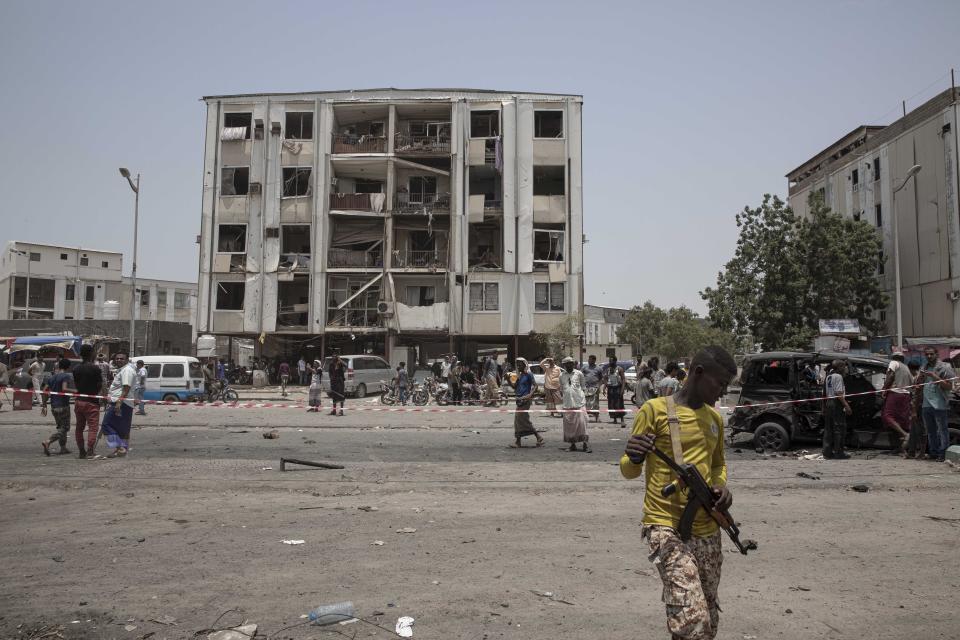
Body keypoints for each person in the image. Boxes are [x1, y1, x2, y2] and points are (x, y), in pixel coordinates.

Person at [621, 346, 738, 640]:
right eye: (719, 384)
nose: (722, 392)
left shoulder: (714, 419)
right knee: (692, 621)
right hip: (665, 527)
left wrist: (722, 487)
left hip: (708, 527)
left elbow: (718, 464)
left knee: (707, 615)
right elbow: (629, 470)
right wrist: (633, 457)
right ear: (698, 373)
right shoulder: (654, 410)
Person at [918, 348, 956, 462]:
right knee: (930, 430)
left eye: (931, 354)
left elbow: (949, 386)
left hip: (939, 403)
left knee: (942, 430)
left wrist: (935, 377)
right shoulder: (924, 367)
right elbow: (920, 385)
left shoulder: (944, 367)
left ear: (936, 354)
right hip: (926, 404)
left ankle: (943, 453)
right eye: (927, 354)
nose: (929, 356)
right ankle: (933, 452)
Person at [100, 351, 137, 457]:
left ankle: (119, 448)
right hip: (124, 402)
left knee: (106, 425)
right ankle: (122, 450)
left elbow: (126, 387)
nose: (119, 360)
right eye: (117, 358)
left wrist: (119, 402)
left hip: (121, 402)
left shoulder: (127, 370)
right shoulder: (123, 370)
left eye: (122, 358)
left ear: (127, 360)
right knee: (122, 428)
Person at [69, 344, 103, 459]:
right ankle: (90, 451)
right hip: (91, 402)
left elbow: (77, 384)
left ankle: (81, 451)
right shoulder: (95, 368)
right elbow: (99, 385)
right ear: (91, 354)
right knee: (93, 427)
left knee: (79, 427)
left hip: (79, 401)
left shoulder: (76, 369)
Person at [40, 358, 74, 456]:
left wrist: (44, 404)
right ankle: (48, 441)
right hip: (63, 405)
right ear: (68, 367)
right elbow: (64, 389)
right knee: (65, 428)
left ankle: (63, 448)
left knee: (60, 427)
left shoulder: (52, 377)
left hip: (54, 406)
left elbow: (44, 390)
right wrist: (75, 391)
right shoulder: (66, 376)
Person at [881, 354, 912, 453]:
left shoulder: (894, 363)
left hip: (895, 393)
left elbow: (890, 375)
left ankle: (905, 435)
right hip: (906, 395)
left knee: (887, 416)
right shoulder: (906, 368)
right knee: (899, 420)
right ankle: (900, 448)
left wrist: (884, 389)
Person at [823, 359, 852, 460]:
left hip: (829, 403)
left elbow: (825, 393)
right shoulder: (838, 376)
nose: (845, 368)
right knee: (839, 429)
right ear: (839, 367)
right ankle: (839, 452)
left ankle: (827, 453)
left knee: (828, 429)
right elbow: (838, 393)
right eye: (844, 366)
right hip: (836, 404)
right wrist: (846, 405)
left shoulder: (828, 376)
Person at [560, 356, 590, 452]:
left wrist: (583, 399)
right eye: (567, 363)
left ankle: (585, 444)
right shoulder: (561, 376)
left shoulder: (579, 374)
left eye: (571, 363)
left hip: (579, 403)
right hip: (567, 404)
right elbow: (562, 389)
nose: (570, 365)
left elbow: (583, 387)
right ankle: (572, 445)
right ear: (564, 365)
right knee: (569, 426)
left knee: (582, 424)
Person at [510, 360, 543, 448]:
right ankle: (536, 438)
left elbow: (535, 386)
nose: (519, 367)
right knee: (519, 420)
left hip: (525, 400)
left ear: (524, 365)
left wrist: (530, 395)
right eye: (517, 365)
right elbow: (514, 386)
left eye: (520, 365)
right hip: (519, 400)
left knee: (521, 419)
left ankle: (520, 441)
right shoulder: (520, 376)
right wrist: (507, 379)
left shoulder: (529, 374)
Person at [904, 360, 926, 459]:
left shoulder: (918, 378)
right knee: (914, 430)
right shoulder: (918, 377)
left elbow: (917, 395)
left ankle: (921, 452)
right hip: (917, 406)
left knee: (920, 431)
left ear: (910, 368)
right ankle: (911, 452)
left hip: (918, 407)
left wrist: (914, 411)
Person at [603, 356, 627, 424]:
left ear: (615, 361)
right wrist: (605, 387)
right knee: (611, 404)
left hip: (618, 388)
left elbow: (623, 379)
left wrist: (622, 389)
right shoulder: (608, 369)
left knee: (619, 404)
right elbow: (605, 378)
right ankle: (614, 419)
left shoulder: (619, 369)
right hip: (610, 389)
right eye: (609, 361)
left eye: (611, 361)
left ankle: (622, 419)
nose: (610, 362)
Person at [581, 355, 603, 421]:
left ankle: (597, 417)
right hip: (586, 388)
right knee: (586, 403)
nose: (589, 360)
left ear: (594, 360)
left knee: (595, 403)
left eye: (590, 359)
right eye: (588, 359)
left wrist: (599, 386)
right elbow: (580, 376)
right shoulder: (584, 368)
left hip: (595, 387)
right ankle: (586, 417)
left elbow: (601, 379)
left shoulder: (599, 368)